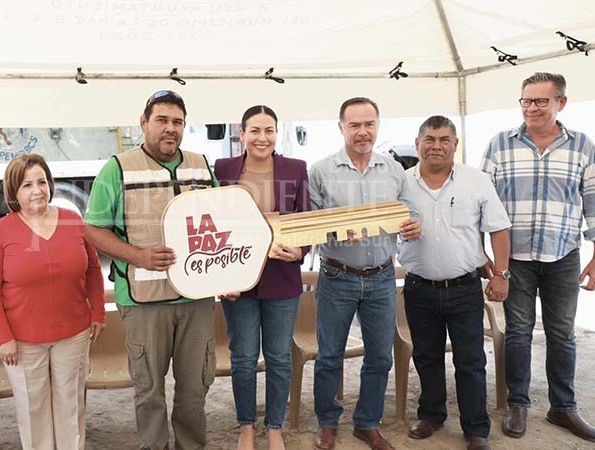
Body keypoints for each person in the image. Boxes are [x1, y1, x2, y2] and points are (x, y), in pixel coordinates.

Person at [481, 72, 595, 444]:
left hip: (563, 255)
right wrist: (483, 256)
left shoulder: (582, 146)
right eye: (526, 100)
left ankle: (563, 407)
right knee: (518, 333)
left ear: (560, 103)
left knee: (562, 334)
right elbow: (481, 202)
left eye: (541, 101)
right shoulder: (499, 145)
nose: (532, 108)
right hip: (515, 258)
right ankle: (518, 404)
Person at [84, 90, 218, 450]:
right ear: (144, 123)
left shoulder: (201, 165)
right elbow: (93, 230)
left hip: (196, 299)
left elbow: (220, 222)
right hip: (143, 301)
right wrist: (137, 256)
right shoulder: (117, 168)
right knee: (149, 390)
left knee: (195, 387)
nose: (170, 128)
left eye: (177, 122)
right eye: (162, 120)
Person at [309, 97, 421, 450]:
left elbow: (410, 212)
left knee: (380, 356)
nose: (362, 132)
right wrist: (336, 232)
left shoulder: (394, 170)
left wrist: (413, 224)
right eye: (354, 125)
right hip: (337, 276)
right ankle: (328, 422)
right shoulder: (321, 170)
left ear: (377, 126)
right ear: (341, 127)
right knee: (330, 355)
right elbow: (311, 225)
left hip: (382, 277)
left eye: (369, 124)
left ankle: (367, 423)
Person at [398, 116, 512, 450]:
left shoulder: (476, 180)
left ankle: (475, 428)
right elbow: (384, 227)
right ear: (417, 144)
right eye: (429, 139)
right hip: (419, 288)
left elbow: (498, 229)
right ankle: (431, 414)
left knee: (471, 361)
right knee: (426, 357)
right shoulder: (400, 183)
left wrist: (501, 274)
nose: (437, 146)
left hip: (464, 289)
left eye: (444, 139)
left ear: (455, 144)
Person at [0, 154, 105, 450]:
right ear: (14, 191)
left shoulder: (73, 220)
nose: (37, 190)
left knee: (70, 406)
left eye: (42, 182)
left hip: (73, 333)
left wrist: (98, 312)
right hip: (22, 341)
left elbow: (92, 269)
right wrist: (3, 338)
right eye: (27, 185)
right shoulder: (1, 232)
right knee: (33, 409)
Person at [213, 105, 309, 450]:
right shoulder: (222, 168)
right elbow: (213, 224)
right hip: (237, 279)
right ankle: (246, 427)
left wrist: (300, 251)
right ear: (241, 134)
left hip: (282, 277)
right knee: (243, 356)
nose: (262, 138)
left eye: (269, 130)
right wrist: (219, 277)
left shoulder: (296, 168)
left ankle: (274, 427)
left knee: (279, 356)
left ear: (277, 134)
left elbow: (304, 220)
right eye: (254, 130)